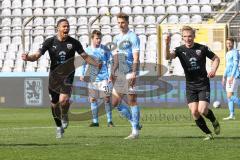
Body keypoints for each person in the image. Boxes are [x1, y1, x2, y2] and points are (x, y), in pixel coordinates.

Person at [22, 19, 101, 138]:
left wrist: (95, 63)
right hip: (54, 77)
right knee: (54, 104)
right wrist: (28, 58)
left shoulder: (74, 43)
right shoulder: (49, 42)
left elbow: (84, 56)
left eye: (68, 26)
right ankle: (58, 126)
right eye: (64, 26)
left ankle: (64, 115)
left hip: (68, 75)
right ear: (58, 28)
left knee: (64, 100)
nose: (66, 29)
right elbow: (37, 55)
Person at [165, 26, 221, 140]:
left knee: (202, 110)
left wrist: (213, 70)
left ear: (194, 36)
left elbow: (216, 59)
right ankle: (208, 134)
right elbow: (167, 57)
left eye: (190, 36)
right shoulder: (179, 50)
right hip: (190, 85)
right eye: (185, 36)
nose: (188, 39)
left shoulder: (203, 48)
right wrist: (166, 44)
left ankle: (214, 120)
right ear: (182, 38)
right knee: (194, 112)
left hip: (203, 84)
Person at [110, 12, 141, 139]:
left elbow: (136, 57)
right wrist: (112, 72)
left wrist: (134, 73)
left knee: (132, 100)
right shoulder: (116, 38)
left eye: (123, 22)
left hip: (130, 72)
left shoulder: (133, 37)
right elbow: (116, 58)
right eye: (118, 23)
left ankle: (135, 132)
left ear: (127, 22)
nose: (120, 25)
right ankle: (135, 123)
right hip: (120, 73)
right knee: (115, 102)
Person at [79, 30, 114, 127]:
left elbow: (110, 62)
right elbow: (83, 63)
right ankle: (95, 122)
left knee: (106, 98)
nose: (98, 40)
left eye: (100, 38)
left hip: (104, 78)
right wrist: (82, 74)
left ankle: (109, 121)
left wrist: (110, 74)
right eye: (97, 38)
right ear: (92, 39)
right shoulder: (88, 50)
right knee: (93, 99)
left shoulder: (105, 49)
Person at [222, 37, 240, 120]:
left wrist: (232, 76)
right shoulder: (227, 53)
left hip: (234, 76)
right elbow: (227, 66)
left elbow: (236, 65)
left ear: (233, 43)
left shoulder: (235, 52)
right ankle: (231, 115)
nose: (228, 45)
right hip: (229, 76)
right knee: (229, 96)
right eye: (227, 43)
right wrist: (224, 76)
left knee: (229, 95)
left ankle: (232, 114)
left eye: (230, 43)